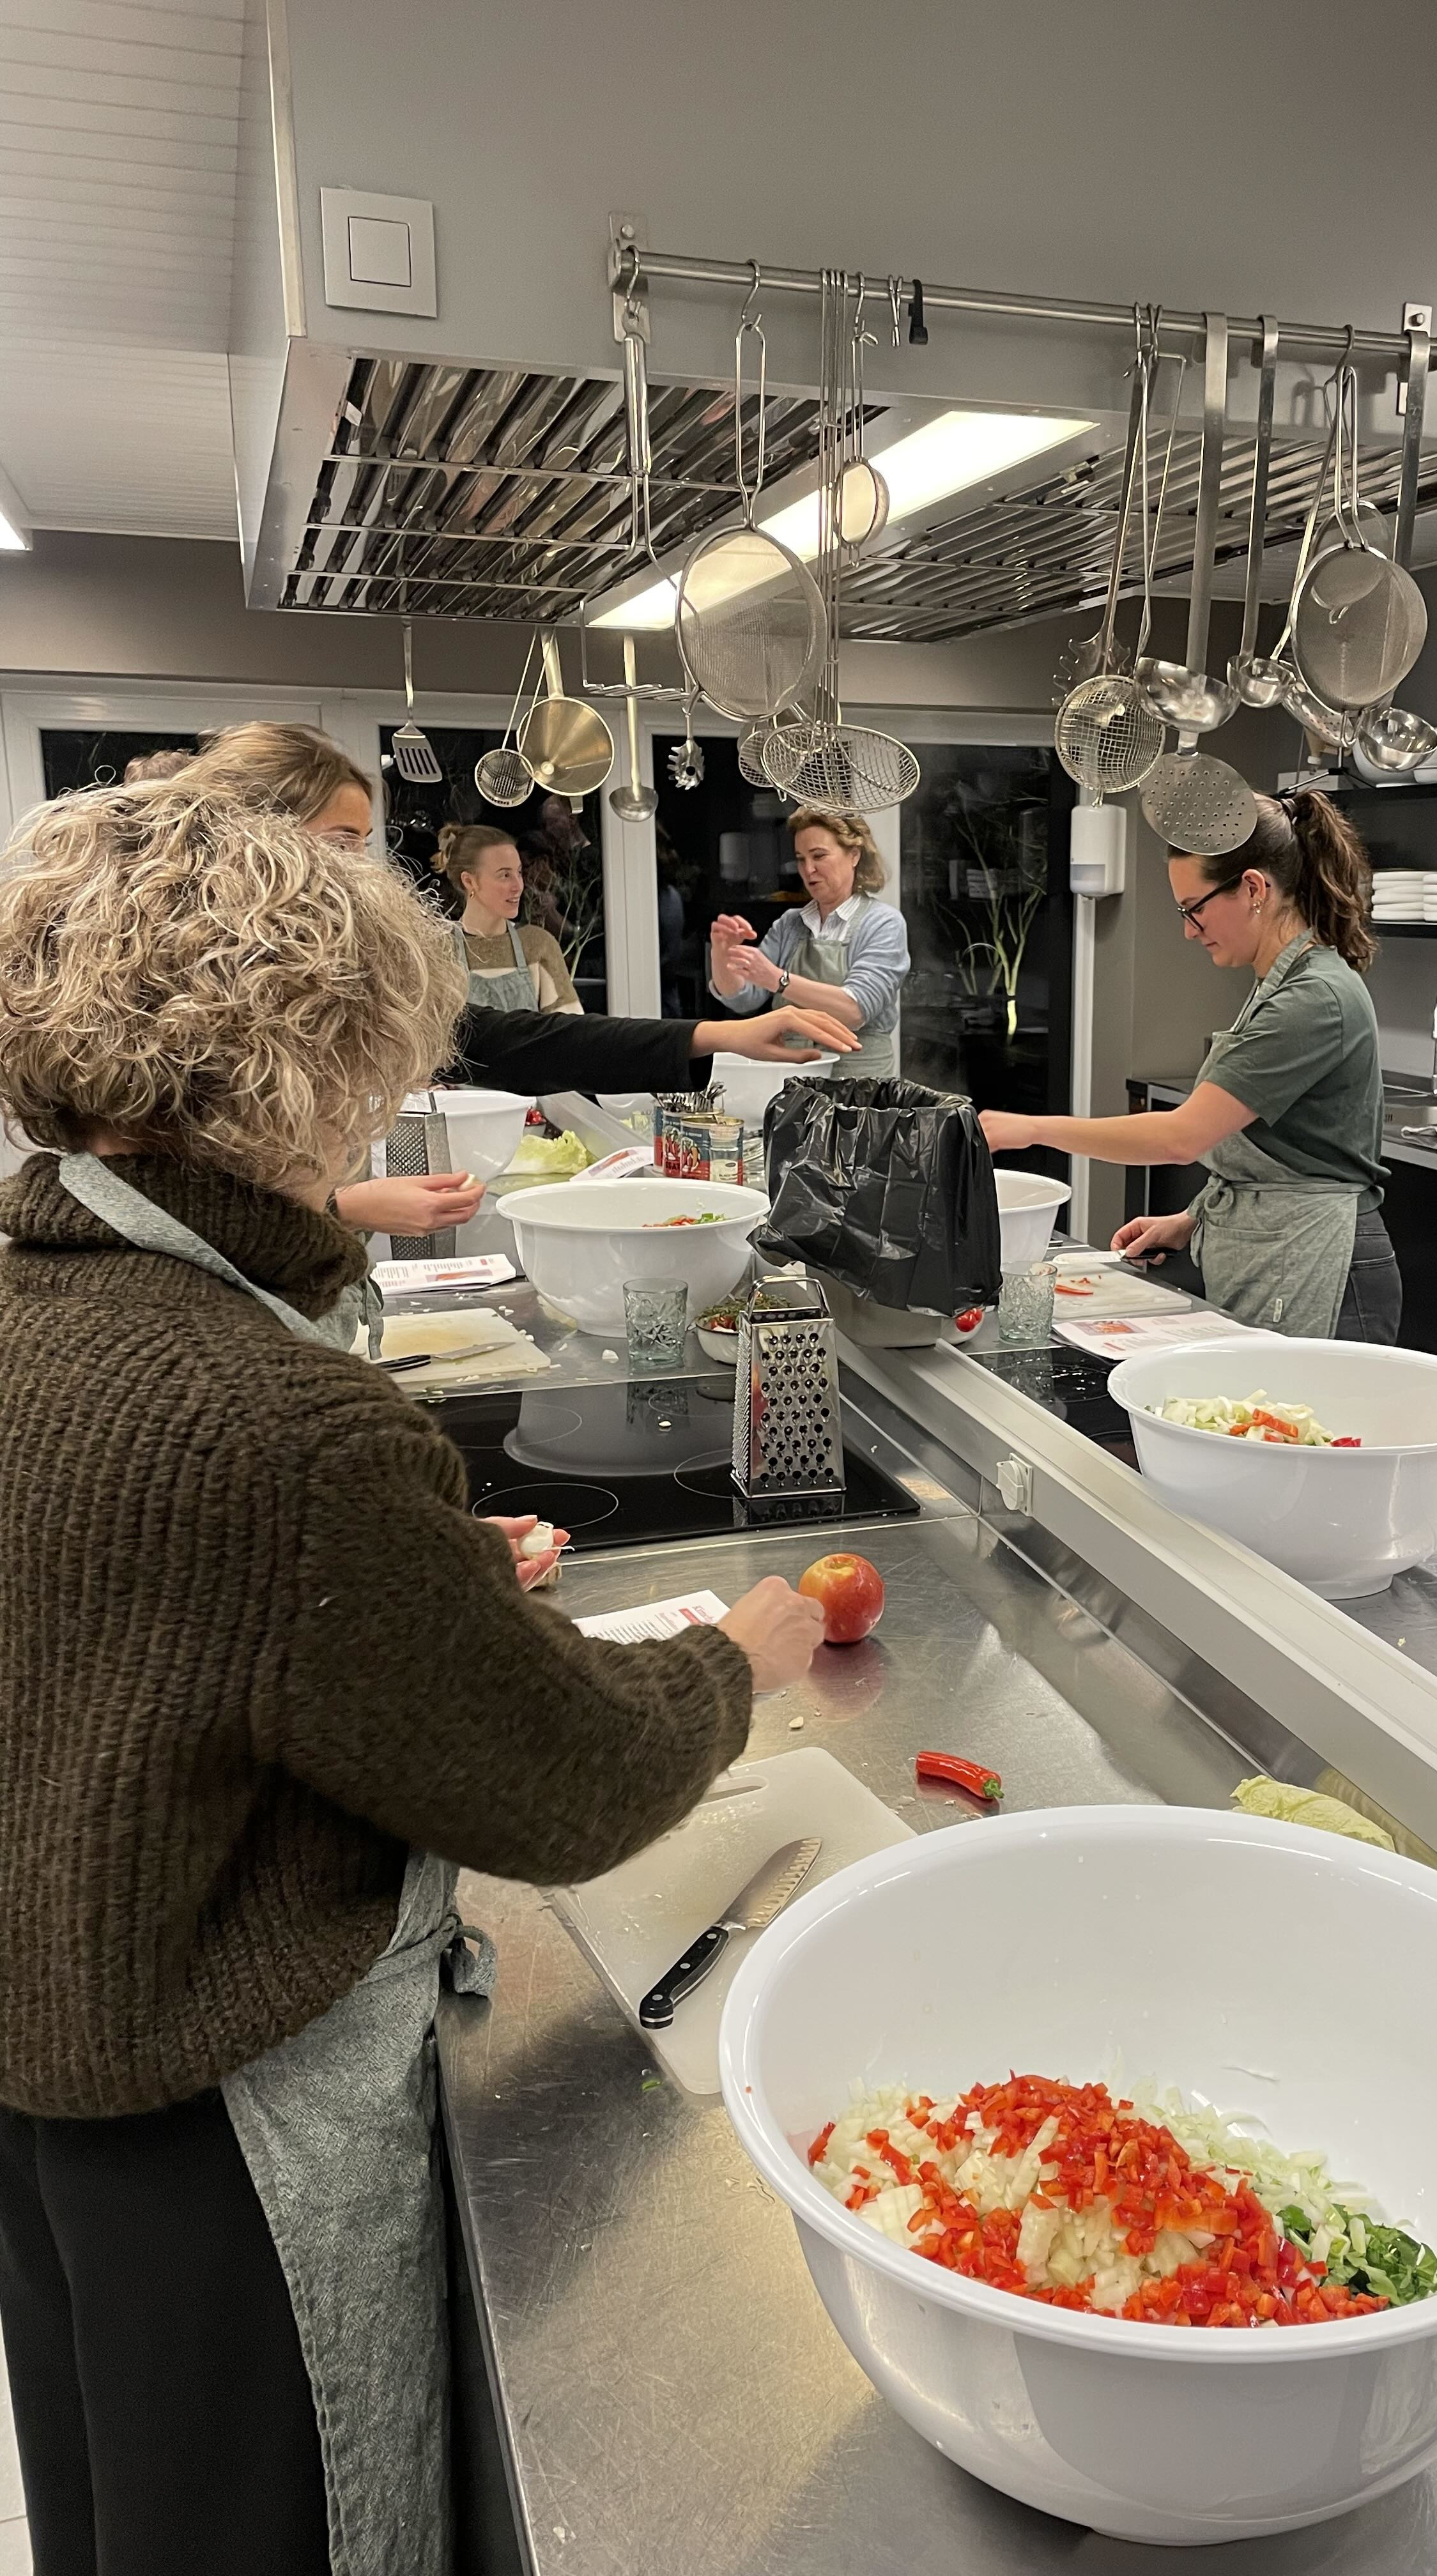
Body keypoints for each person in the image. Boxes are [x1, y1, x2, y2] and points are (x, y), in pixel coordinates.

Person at [0, 778, 826, 2576]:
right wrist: (729, 1662)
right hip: (229, 2133)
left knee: (111, 2509)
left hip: (48, 2069)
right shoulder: (274, 1418)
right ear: (306, 1065)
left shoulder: (23, 1302)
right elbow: (562, 1784)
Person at [164, 723, 857, 1130]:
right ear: (251, 835)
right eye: (343, 842)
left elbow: (511, 1038)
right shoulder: (178, 981)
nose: (357, 869)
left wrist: (720, 1034)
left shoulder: (324, 966)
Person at [980, 792, 1402, 1342]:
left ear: (1254, 888)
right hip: (1284, 1249)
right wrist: (1195, 1220)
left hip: (1322, 1264)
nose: (1188, 929)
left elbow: (1182, 1137)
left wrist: (1032, 1129)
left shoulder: (1314, 998)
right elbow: (1285, 1154)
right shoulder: (1282, 985)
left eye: (1194, 908)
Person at [708, 806, 911, 1081]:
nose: (808, 870)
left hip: (860, 1090)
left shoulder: (882, 923)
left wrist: (779, 980)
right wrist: (723, 955)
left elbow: (855, 1010)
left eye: (819, 856)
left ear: (854, 855)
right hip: (793, 1080)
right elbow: (743, 998)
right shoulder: (791, 924)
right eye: (801, 859)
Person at [434, 821, 583, 1015]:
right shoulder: (439, 951)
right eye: (505, 875)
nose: (518, 886)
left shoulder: (537, 944)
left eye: (519, 873)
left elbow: (569, 1031)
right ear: (469, 881)